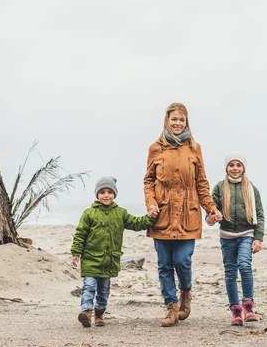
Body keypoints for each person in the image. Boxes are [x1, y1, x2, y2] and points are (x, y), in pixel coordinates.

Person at [144, 102, 222, 327]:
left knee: (182, 260)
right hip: (162, 215)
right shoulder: (155, 148)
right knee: (164, 265)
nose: (177, 123)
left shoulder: (195, 148)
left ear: (186, 122)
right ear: (166, 121)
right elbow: (148, 181)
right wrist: (150, 203)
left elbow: (201, 183)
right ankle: (171, 306)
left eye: (181, 120)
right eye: (174, 119)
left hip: (188, 216)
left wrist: (211, 208)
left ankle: (185, 293)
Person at [71, 176, 156, 328]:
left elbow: (136, 223)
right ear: (97, 195)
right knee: (89, 286)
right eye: (102, 192)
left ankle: (99, 313)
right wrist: (76, 252)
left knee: (104, 290)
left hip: (109, 260)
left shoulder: (121, 213)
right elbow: (80, 234)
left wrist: (150, 218)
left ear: (114, 194)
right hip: (91, 258)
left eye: (110, 192)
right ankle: (86, 312)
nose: (106, 195)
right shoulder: (89, 213)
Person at [207, 153, 264, 325]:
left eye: (238, 165)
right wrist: (211, 218)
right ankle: (236, 311)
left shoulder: (251, 189)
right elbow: (210, 212)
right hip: (227, 237)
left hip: (246, 234)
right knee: (230, 272)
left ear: (243, 168)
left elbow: (260, 214)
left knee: (245, 266)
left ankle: (248, 305)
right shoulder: (219, 188)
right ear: (226, 168)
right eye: (231, 165)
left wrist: (258, 238)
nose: (235, 168)